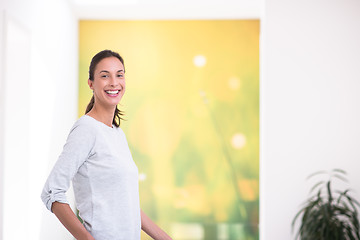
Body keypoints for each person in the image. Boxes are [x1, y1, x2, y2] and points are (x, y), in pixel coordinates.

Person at [41, 50, 172, 240]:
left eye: (119, 74)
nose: (114, 82)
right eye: (105, 76)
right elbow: (51, 192)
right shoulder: (86, 129)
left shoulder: (117, 133)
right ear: (91, 84)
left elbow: (129, 206)